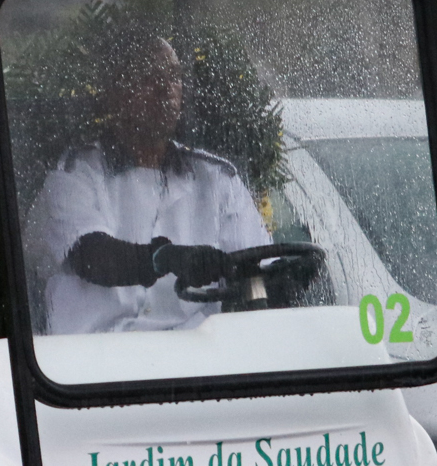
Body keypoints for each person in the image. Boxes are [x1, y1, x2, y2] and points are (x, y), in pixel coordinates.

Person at [23, 30, 269, 335]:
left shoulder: (217, 179)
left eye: (174, 77)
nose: (165, 90)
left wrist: (287, 274)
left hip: (199, 361)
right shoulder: (75, 174)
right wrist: (164, 257)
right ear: (115, 93)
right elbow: (91, 257)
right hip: (94, 368)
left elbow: (259, 265)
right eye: (149, 79)